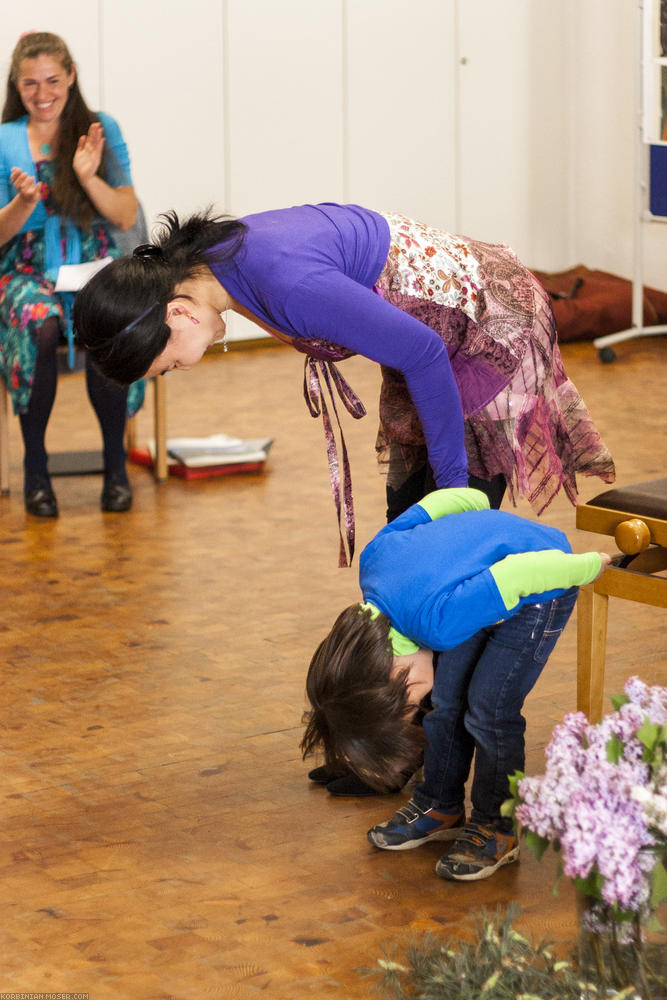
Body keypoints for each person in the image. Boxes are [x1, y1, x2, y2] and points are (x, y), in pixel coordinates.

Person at [73, 203, 615, 552]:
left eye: (167, 366)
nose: (182, 369)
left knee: (449, 540)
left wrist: (454, 497)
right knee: (406, 527)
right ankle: (419, 708)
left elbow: (425, 354)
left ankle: (450, 716)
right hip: (427, 337)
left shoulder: (286, 285)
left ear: (178, 314)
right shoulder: (210, 263)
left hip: (487, 323)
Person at [301, 486, 611, 881]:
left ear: (397, 676)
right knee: (447, 699)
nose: (417, 704)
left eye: (409, 705)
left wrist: (589, 566)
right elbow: (432, 506)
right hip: (481, 582)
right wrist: (478, 505)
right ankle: (439, 804)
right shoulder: (373, 566)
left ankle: (497, 827)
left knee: (490, 709)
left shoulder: (438, 624)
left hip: (541, 584)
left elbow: (518, 575)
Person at [0, 31, 143, 518]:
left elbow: (125, 216)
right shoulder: (4, 140)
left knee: (110, 318)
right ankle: (36, 471)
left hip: (93, 261)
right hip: (25, 267)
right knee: (38, 323)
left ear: (71, 76)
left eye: (52, 81)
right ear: (15, 86)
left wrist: (87, 176)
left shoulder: (101, 129)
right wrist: (22, 203)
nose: (42, 95)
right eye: (29, 85)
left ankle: (115, 467)